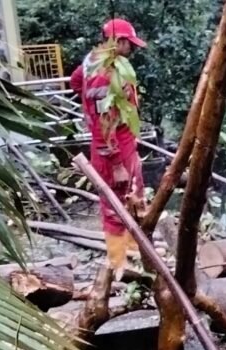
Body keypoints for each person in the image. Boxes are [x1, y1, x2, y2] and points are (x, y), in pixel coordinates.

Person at [69, 18, 148, 280]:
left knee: (135, 199)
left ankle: (135, 255)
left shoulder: (90, 60)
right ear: (118, 41)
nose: (133, 50)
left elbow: (75, 82)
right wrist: (115, 161)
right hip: (112, 149)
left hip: (119, 144)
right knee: (116, 206)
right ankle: (120, 264)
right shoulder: (106, 73)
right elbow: (105, 122)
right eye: (130, 44)